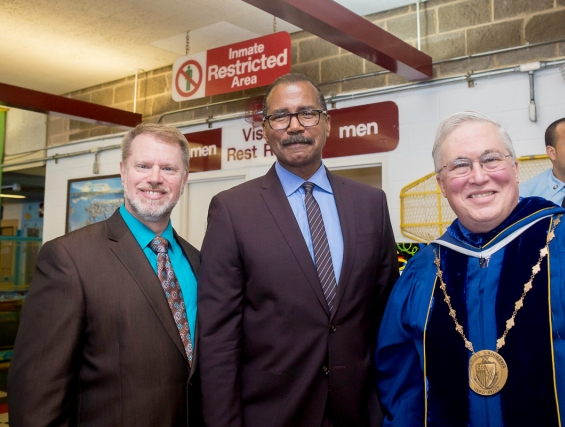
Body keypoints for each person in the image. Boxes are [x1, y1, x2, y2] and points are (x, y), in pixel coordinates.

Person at [376, 111, 565, 427]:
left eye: (491, 160)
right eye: (460, 165)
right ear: (442, 184)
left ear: (514, 170)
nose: (478, 176)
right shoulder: (423, 274)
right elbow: (403, 395)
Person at [198, 73, 399, 427]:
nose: (294, 126)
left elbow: (385, 317)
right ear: (265, 129)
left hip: (360, 410)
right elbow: (219, 339)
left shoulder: (370, 203)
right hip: (273, 413)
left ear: (326, 123)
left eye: (307, 113)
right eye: (280, 116)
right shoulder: (232, 211)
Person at [8, 123, 201, 427]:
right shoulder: (69, 259)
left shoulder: (198, 262)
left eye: (168, 168)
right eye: (143, 165)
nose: (155, 178)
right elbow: (36, 397)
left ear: (185, 178)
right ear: (123, 172)